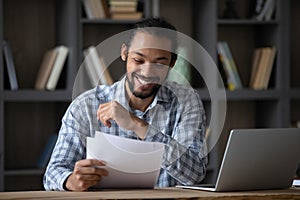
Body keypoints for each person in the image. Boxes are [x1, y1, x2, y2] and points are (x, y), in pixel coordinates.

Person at [43, 18, 207, 191]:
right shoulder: (85, 105)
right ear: (124, 53)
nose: (147, 72)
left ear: (172, 63)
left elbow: (194, 174)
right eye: (138, 60)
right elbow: (53, 174)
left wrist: (138, 125)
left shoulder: (186, 100)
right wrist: (71, 180)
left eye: (159, 63)